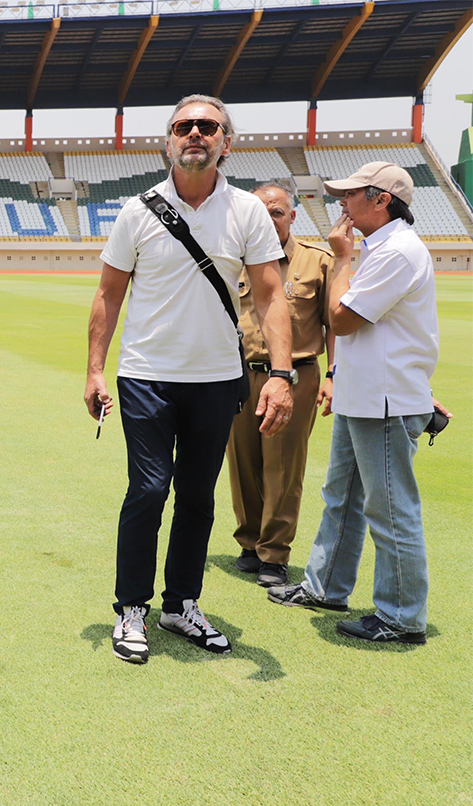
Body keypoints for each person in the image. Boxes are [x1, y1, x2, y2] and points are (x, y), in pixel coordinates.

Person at [84, 94, 295, 665]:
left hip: (217, 377)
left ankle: (181, 605)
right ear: (169, 139)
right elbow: (109, 294)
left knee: (198, 497)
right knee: (149, 490)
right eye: (185, 125)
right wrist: (95, 370)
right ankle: (132, 608)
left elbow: (273, 296)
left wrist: (280, 373)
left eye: (209, 126)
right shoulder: (138, 210)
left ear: (227, 140)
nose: (196, 133)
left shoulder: (248, 211)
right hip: (147, 376)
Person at [267, 162, 448, 645]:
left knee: (391, 510)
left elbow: (343, 321)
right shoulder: (383, 248)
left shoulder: (397, 252)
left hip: (384, 401)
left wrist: (341, 261)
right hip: (364, 395)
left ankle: (402, 616)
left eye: (350, 194)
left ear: (381, 199)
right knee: (342, 497)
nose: (340, 203)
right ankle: (326, 586)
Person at [226, 182, 336, 587]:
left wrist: (332, 375)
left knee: (284, 466)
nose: (269, 218)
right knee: (242, 463)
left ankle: (274, 554)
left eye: (277, 211)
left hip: (295, 374)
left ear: (292, 216)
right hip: (238, 373)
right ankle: (250, 541)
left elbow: (334, 324)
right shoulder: (231, 260)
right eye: (260, 212)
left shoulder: (315, 261)